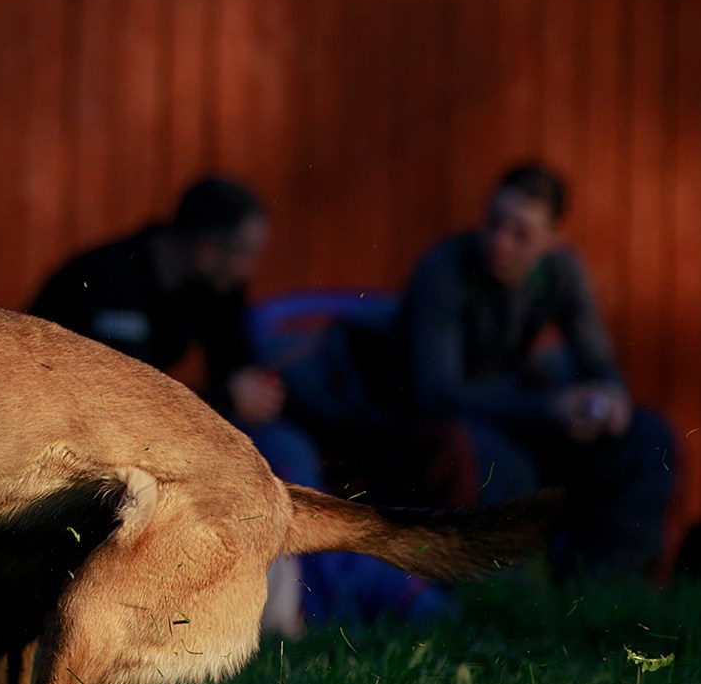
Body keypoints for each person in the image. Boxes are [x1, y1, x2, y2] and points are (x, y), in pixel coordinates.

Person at [29, 178, 445, 626]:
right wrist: (227, 398)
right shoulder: (106, 284)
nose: (250, 269)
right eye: (245, 255)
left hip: (144, 442)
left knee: (280, 446)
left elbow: (238, 367)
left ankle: (344, 594)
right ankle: (363, 597)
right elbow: (114, 410)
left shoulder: (213, 285)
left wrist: (254, 393)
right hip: (58, 446)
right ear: (208, 250)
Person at [396, 161, 677, 579]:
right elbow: (437, 393)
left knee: (649, 436)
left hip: (518, 410)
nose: (500, 243)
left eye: (521, 234)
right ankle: (513, 603)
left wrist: (610, 396)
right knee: (504, 463)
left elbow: (597, 362)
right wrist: (550, 409)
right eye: (493, 223)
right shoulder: (444, 270)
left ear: (551, 240)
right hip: (456, 421)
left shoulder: (562, 272)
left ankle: (606, 594)